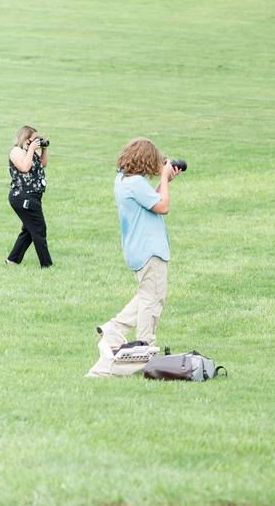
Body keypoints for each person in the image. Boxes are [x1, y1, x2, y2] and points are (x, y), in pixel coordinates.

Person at [87, 138, 182, 377]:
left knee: (145, 295)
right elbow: (162, 207)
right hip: (150, 250)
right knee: (153, 299)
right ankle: (144, 348)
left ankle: (113, 328)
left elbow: (151, 202)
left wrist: (166, 181)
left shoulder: (123, 180)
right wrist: (163, 177)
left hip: (137, 249)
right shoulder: (137, 183)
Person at [6, 125, 52, 268]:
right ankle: (46, 265)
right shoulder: (16, 151)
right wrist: (32, 149)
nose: (36, 142)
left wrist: (44, 148)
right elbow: (24, 168)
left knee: (29, 230)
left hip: (33, 196)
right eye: (34, 139)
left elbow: (43, 164)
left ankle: (12, 260)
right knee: (39, 229)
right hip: (23, 196)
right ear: (26, 139)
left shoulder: (30, 152)